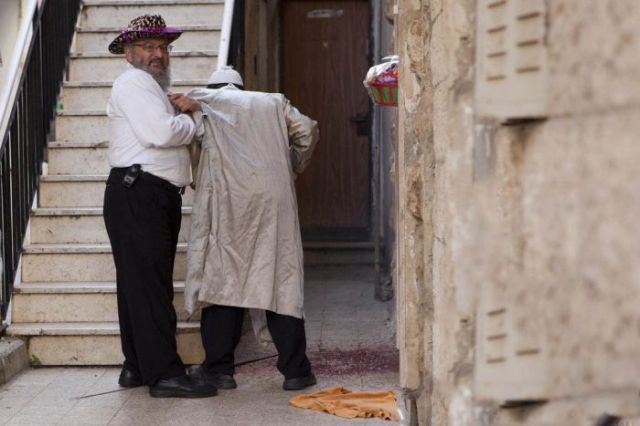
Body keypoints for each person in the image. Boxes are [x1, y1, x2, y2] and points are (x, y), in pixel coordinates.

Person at [183, 68, 319, 391]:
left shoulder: (205, 106)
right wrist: (291, 164)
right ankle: (296, 371)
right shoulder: (272, 103)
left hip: (228, 199)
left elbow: (195, 157)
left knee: (223, 279)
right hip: (272, 200)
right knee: (279, 278)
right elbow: (308, 130)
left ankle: (219, 369)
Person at [103, 14, 217, 398]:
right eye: (149, 47)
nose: (158, 54)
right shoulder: (134, 83)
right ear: (129, 53)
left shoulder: (148, 87)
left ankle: (136, 366)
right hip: (140, 192)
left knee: (137, 285)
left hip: (142, 193)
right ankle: (165, 374)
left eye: (163, 48)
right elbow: (161, 133)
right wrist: (193, 118)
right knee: (150, 287)